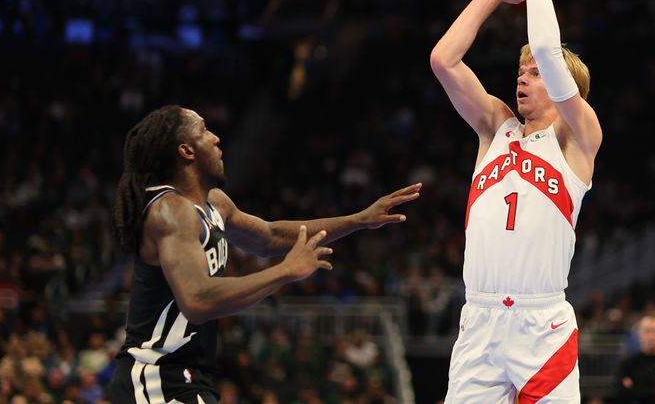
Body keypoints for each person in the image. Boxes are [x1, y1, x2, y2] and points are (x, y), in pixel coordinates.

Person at [106, 105, 421, 403]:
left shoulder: (215, 203)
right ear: (186, 151)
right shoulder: (171, 210)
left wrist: (358, 220)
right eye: (203, 131)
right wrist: (286, 271)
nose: (215, 138)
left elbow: (271, 236)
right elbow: (198, 299)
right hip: (155, 373)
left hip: (188, 376)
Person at [430, 0, 602, 403]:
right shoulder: (496, 127)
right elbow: (444, 61)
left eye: (535, 73)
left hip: (540, 324)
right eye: (520, 70)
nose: (523, 77)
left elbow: (549, 48)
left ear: (570, 91)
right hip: (480, 318)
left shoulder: (579, 138)